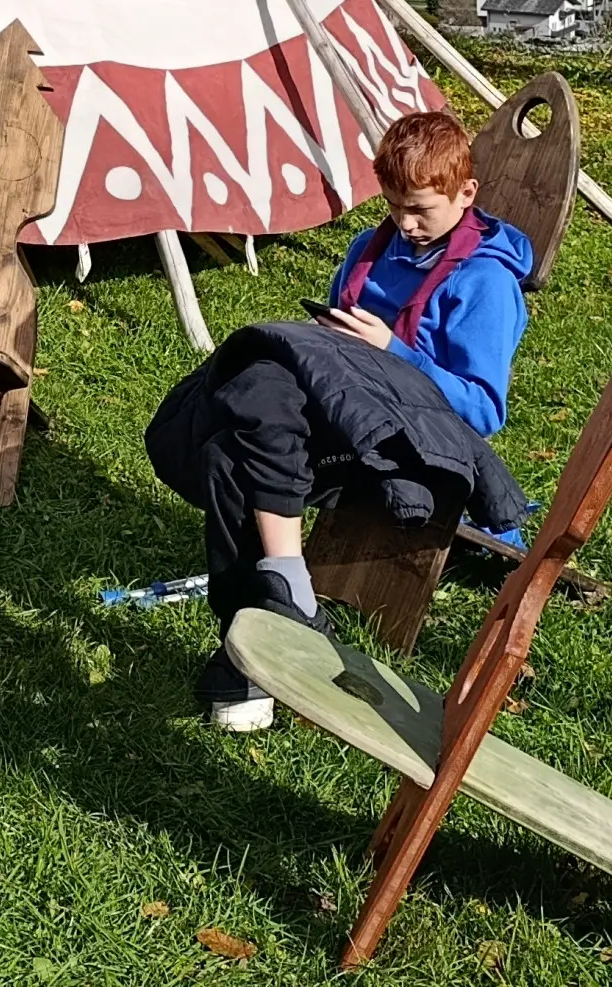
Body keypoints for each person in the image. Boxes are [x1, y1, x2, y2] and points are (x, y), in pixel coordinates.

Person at [143, 108, 533, 732]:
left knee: (243, 418)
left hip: (403, 450)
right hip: (331, 422)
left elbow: (482, 412)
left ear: (467, 194)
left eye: (421, 212)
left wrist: (395, 353)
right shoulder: (370, 248)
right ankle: (281, 619)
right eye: (394, 207)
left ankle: (261, 636)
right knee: (246, 418)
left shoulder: (485, 282)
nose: (405, 226)